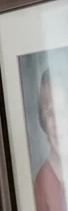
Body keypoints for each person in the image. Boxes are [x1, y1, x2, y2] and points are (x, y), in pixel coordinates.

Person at [36, 66, 67, 211]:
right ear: (43, 120)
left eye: (62, 111)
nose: (57, 123)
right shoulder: (42, 184)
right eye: (50, 113)